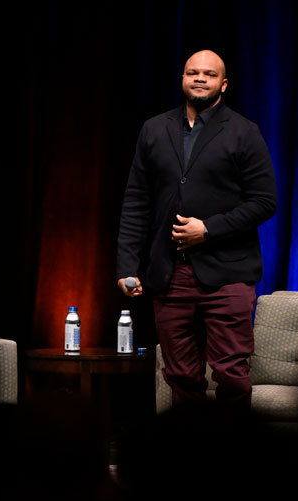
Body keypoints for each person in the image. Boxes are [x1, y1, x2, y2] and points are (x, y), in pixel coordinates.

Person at [116, 50, 277, 410]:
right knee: (181, 376)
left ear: (224, 83)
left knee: (232, 374)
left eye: (208, 73)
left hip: (228, 273)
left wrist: (209, 229)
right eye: (192, 72)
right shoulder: (154, 129)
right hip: (169, 274)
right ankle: (187, 463)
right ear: (183, 79)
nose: (200, 78)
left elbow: (265, 201)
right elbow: (136, 201)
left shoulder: (243, 132)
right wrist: (127, 266)